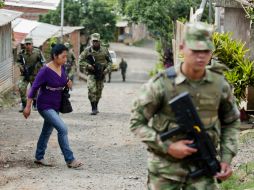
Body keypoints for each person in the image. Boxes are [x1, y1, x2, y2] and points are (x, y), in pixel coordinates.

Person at [129, 22, 240, 189]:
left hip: (203, 172)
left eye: (206, 51)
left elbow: (231, 122)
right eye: (195, 50)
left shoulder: (220, 85)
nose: (201, 56)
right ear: (182, 48)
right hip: (165, 173)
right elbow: (136, 123)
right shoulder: (161, 84)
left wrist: (226, 159)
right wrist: (168, 146)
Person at [23, 44, 83, 169]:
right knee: (62, 129)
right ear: (55, 56)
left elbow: (64, 81)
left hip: (56, 105)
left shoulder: (62, 67)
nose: (65, 59)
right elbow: (34, 88)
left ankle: (39, 157)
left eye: (66, 57)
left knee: (46, 131)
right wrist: (27, 107)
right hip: (44, 105)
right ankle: (70, 160)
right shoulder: (45, 70)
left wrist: (68, 83)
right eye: (63, 57)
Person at [79, 33, 112, 115]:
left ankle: (96, 105)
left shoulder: (104, 50)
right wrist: (88, 65)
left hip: (101, 73)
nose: (95, 43)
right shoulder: (87, 51)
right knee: (91, 89)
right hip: (91, 73)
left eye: (96, 41)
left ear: (99, 41)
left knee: (99, 91)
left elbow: (110, 62)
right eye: (93, 41)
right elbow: (80, 61)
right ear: (91, 41)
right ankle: (93, 108)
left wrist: (106, 70)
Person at [17, 37, 45, 112]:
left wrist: (40, 70)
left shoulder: (37, 52)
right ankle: (24, 104)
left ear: (32, 44)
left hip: (35, 74)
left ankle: (35, 103)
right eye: (27, 44)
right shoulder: (21, 53)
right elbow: (18, 61)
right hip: (25, 74)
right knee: (21, 87)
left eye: (29, 44)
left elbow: (43, 61)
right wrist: (21, 67)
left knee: (35, 89)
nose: (28, 45)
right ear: (24, 45)